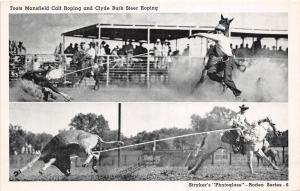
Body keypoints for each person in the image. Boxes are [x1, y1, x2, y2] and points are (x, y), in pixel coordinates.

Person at [189, 24, 242, 98]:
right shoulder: (225, 38)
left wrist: (196, 34)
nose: (216, 33)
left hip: (228, 60)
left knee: (227, 80)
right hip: (224, 59)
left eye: (217, 31)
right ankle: (222, 82)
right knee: (210, 73)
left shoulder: (219, 37)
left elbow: (205, 35)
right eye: (215, 31)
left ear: (220, 32)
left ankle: (237, 95)